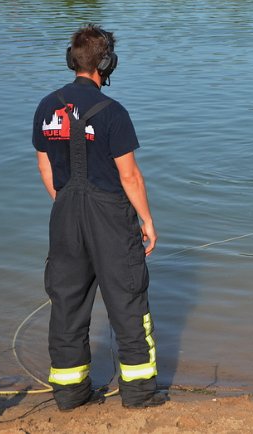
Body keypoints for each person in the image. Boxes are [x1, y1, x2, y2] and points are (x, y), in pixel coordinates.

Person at [32, 24, 166, 411]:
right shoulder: (113, 112)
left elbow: (45, 169)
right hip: (109, 215)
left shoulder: (46, 106)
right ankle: (139, 393)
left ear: (72, 60)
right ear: (106, 64)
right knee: (127, 299)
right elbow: (129, 175)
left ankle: (71, 394)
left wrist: (67, 204)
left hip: (64, 214)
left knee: (67, 302)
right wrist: (147, 220)